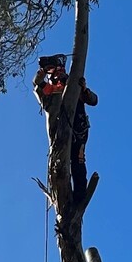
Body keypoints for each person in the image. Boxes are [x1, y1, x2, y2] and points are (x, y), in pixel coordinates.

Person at [33, 54, 98, 199]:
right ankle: (62, 196)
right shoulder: (51, 90)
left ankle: (80, 196)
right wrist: (38, 81)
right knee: (60, 166)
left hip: (78, 131)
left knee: (78, 163)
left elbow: (93, 100)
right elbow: (40, 89)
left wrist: (84, 89)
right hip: (59, 134)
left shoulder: (73, 85)